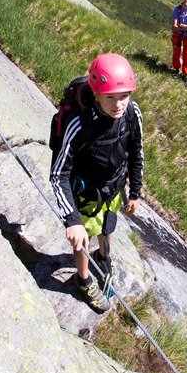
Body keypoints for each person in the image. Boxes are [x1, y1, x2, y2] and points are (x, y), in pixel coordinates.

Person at [50, 53, 144, 312]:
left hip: (113, 188)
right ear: (96, 94)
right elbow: (58, 174)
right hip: (85, 194)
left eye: (124, 95)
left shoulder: (132, 113)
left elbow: (136, 151)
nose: (118, 104)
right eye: (110, 97)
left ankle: (103, 257)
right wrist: (72, 220)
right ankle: (83, 279)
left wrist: (135, 191)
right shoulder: (79, 123)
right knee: (83, 237)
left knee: (108, 225)